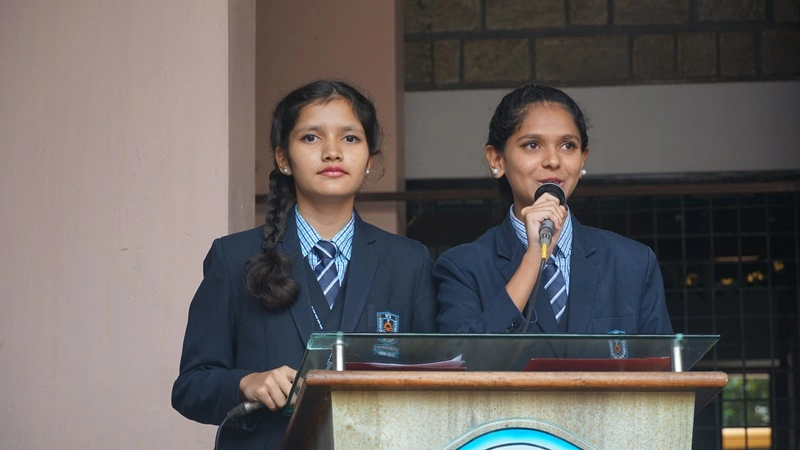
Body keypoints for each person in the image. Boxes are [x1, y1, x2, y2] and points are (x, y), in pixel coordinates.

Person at [172, 80, 438, 449]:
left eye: (350, 138)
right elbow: (190, 387)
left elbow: (435, 385)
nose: (332, 152)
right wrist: (246, 383)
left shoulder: (408, 262)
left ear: (369, 161)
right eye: (311, 138)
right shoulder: (233, 257)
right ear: (283, 159)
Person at [433, 84, 672, 335]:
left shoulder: (632, 262)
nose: (553, 161)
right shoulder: (463, 267)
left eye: (568, 145)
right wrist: (534, 256)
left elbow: (662, 359)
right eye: (532, 145)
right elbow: (465, 357)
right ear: (497, 160)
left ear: (583, 159)